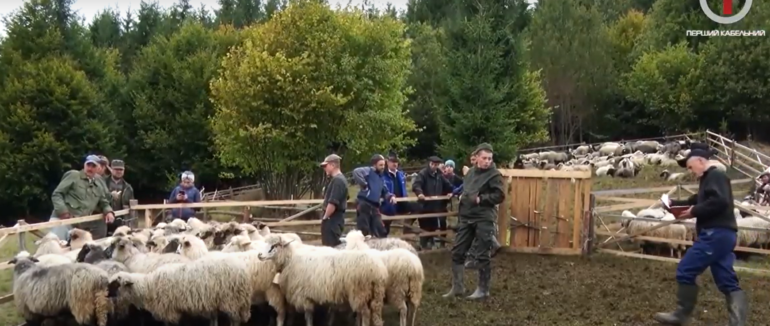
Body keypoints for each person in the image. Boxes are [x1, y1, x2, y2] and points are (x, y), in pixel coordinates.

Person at [653, 147, 747, 325]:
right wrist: (672, 204)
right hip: (723, 235)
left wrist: (694, 211)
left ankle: (681, 315)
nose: (690, 171)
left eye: (690, 167)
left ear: (701, 161)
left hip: (715, 234)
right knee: (727, 280)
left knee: (686, 269)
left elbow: (720, 201)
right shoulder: (708, 180)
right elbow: (695, 201)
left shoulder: (715, 176)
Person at [444, 143, 505, 300]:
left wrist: (481, 199)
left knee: (482, 254)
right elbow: (467, 189)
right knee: (458, 251)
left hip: (484, 217)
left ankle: (483, 289)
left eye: (490, 158)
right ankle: (458, 287)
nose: (487, 161)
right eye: (484, 158)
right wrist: (462, 197)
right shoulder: (470, 173)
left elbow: (500, 195)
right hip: (467, 217)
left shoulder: (494, 175)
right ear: (476, 157)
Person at [49, 155, 116, 241]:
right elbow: (57, 194)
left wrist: (109, 212)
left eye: (93, 166)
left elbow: (103, 202)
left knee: (76, 248)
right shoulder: (73, 175)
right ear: (84, 165)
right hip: (62, 221)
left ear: (98, 168)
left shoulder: (99, 183)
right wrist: (63, 211)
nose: (90, 168)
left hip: (79, 225)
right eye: (88, 165)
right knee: (56, 246)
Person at [412, 156, 455, 249]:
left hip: (436, 207)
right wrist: (420, 193)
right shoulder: (423, 174)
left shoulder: (439, 175)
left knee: (433, 227)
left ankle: (432, 246)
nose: (434, 166)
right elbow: (416, 184)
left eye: (436, 165)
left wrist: (452, 192)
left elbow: (448, 185)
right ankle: (423, 247)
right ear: (429, 163)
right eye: (433, 164)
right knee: (425, 227)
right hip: (425, 206)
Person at [352, 154, 396, 238]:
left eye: (384, 165)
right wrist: (364, 185)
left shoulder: (381, 177)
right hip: (364, 204)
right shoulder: (369, 171)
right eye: (380, 165)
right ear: (374, 165)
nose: (383, 167)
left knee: (381, 231)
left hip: (375, 206)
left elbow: (385, 191)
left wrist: (391, 196)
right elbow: (356, 171)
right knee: (364, 231)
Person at [320, 154, 348, 247]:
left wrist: (325, 217)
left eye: (326, 166)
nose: (324, 169)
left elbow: (333, 203)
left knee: (330, 248)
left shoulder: (338, 181)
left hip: (332, 220)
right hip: (335, 219)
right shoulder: (340, 180)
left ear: (333, 165)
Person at [381, 152, 409, 236]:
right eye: (392, 162)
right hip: (388, 204)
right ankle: (383, 238)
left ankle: (408, 228)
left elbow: (404, 187)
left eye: (396, 162)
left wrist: (405, 196)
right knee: (385, 226)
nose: (395, 164)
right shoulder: (383, 175)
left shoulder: (400, 174)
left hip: (401, 202)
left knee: (418, 207)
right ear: (387, 162)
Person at [104, 159, 135, 231]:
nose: (119, 171)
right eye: (116, 169)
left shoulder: (128, 187)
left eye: (121, 169)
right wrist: (109, 195)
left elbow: (132, 207)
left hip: (121, 222)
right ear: (111, 169)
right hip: (104, 221)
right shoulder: (102, 183)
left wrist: (131, 222)